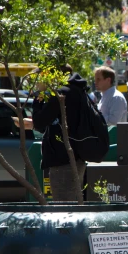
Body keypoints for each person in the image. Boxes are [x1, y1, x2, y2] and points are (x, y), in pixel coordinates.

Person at [31, 70, 90, 201]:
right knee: (73, 204)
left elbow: (39, 122)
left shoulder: (61, 94)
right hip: (75, 158)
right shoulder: (77, 91)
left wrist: (39, 95)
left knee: (64, 208)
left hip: (62, 160)